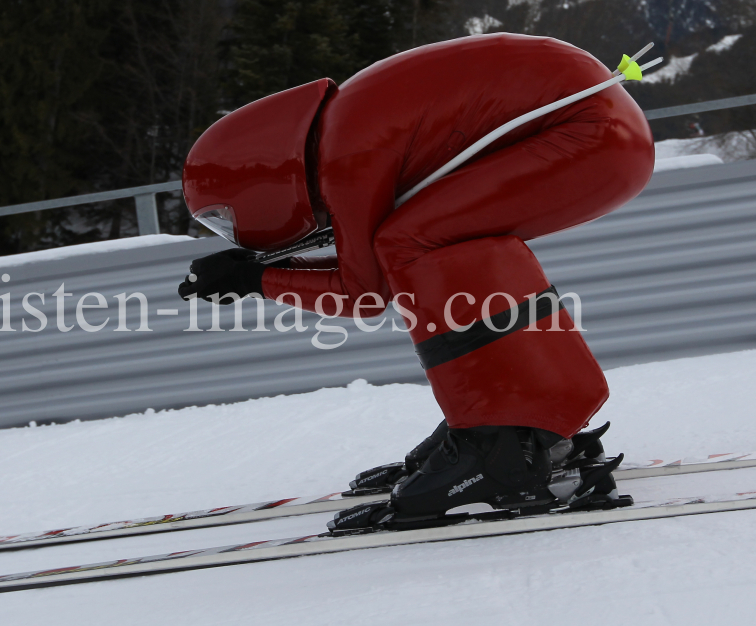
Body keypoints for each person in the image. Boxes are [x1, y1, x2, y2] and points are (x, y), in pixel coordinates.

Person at [177, 33, 653, 530]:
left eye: (223, 219)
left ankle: (494, 446)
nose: (232, 230)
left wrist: (258, 279)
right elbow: (378, 279)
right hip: (606, 131)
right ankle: (529, 426)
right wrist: (260, 275)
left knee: (409, 240)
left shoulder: (344, 155)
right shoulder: (344, 127)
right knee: (433, 242)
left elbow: (364, 294)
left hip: (594, 133)